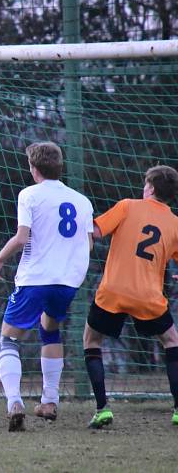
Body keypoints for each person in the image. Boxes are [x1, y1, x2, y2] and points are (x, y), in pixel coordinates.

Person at [0, 141, 94, 431]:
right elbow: (88, 243)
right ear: (60, 167)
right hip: (68, 282)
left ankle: (14, 402)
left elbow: (22, 238)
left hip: (35, 279)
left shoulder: (30, 195)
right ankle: (49, 401)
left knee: (9, 339)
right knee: (50, 330)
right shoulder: (82, 201)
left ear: (33, 169)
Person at [83, 165, 178, 429]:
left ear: (150, 188)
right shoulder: (175, 224)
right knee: (172, 342)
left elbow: (95, 231)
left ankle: (102, 408)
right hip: (148, 296)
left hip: (113, 291)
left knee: (91, 340)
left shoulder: (127, 206)